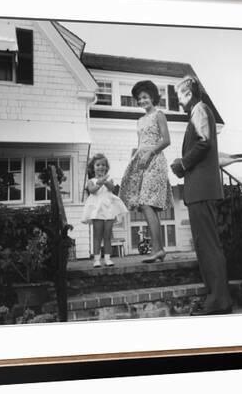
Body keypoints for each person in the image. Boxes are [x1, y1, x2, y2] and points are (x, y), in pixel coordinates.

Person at [171, 75, 233, 316]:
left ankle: (219, 301)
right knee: (205, 246)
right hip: (199, 191)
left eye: (179, 96)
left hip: (202, 190)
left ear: (189, 93)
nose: (178, 101)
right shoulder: (199, 112)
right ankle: (215, 298)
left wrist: (182, 164)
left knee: (208, 246)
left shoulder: (200, 110)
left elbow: (204, 142)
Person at [119, 80, 174, 263]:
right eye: (139, 98)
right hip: (142, 162)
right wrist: (134, 158)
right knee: (146, 205)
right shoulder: (140, 120)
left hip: (156, 161)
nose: (142, 100)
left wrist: (150, 151)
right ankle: (159, 250)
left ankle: (158, 249)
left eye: (145, 97)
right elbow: (140, 143)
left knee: (146, 203)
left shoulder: (159, 115)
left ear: (152, 97)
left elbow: (166, 140)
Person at [81, 153, 129, 268]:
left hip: (108, 210)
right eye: (98, 165)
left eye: (103, 165)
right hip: (97, 211)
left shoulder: (110, 179)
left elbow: (112, 189)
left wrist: (105, 181)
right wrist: (99, 182)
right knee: (97, 235)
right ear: (93, 167)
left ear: (106, 167)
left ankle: (107, 258)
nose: (100, 167)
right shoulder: (91, 180)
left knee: (107, 235)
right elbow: (92, 191)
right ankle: (97, 259)